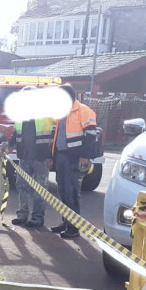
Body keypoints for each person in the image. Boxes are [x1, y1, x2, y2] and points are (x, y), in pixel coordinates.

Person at [0, 86, 55, 228]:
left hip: (41, 157)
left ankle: (37, 217)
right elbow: (16, 133)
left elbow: (56, 132)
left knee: (40, 188)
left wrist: (53, 155)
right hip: (25, 156)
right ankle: (22, 215)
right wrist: (8, 144)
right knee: (22, 185)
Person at [49, 83, 98, 239]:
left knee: (72, 191)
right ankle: (66, 221)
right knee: (63, 190)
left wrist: (84, 156)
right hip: (61, 156)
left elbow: (91, 136)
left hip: (74, 157)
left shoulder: (84, 111)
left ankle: (74, 227)